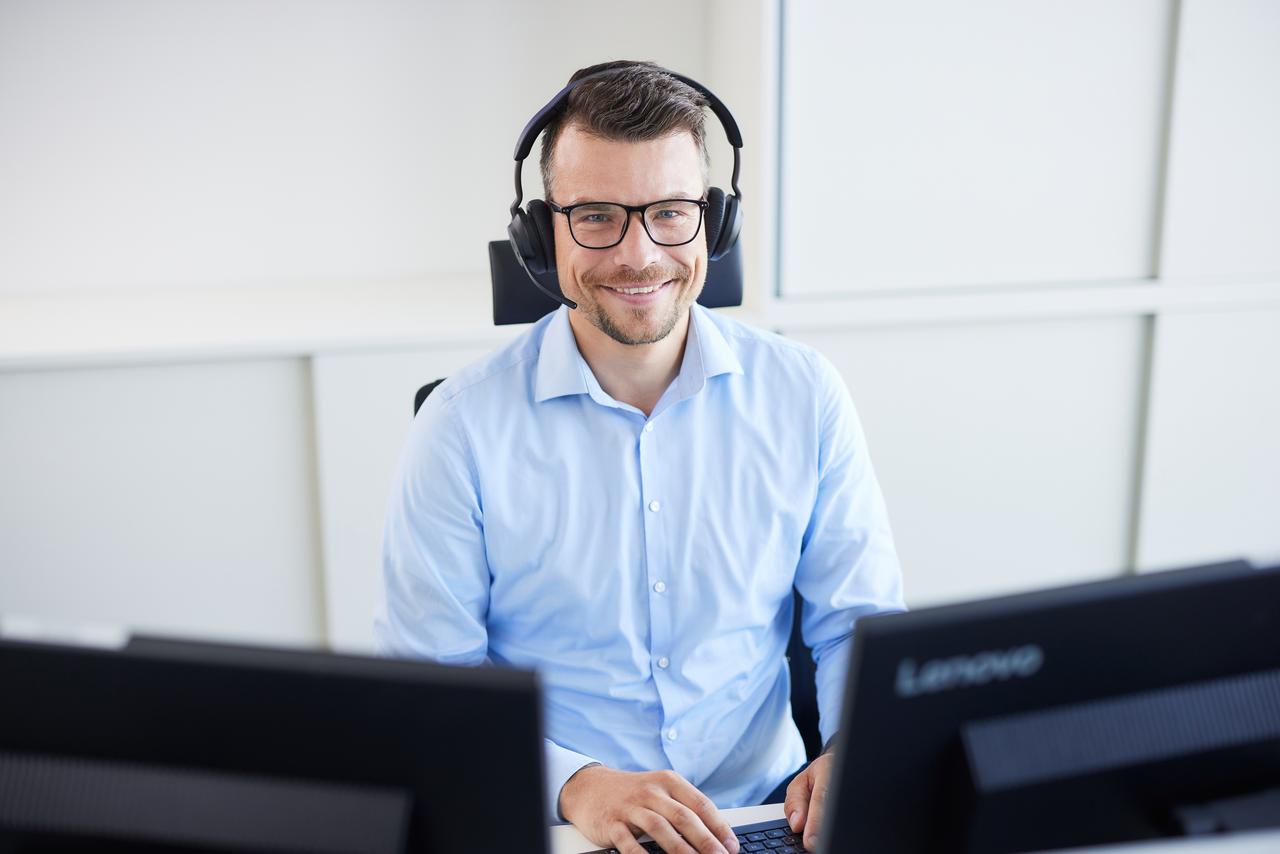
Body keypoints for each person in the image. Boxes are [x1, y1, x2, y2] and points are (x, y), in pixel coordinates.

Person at [376, 60, 904, 854]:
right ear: (540, 231)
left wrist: (854, 748)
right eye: (595, 215)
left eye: (668, 212)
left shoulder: (804, 394)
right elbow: (430, 688)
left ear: (714, 222)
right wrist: (576, 783)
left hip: (763, 818)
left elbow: (853, 622)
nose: (638, 254)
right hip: (564, 826)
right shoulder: (460, 429)